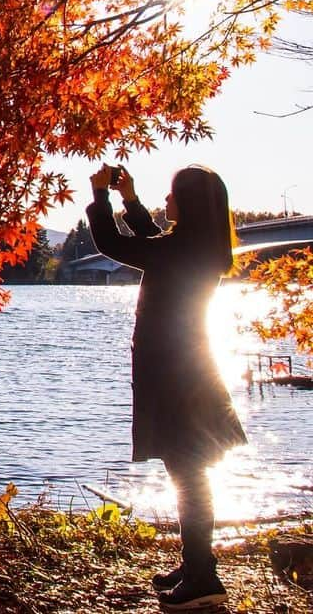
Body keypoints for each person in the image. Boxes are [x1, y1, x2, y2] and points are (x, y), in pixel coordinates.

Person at [86, 163, 246, 612]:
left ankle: (203, 576)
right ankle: (196, 562)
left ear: (189, 203)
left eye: (173, 195)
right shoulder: (198, 246)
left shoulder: (180, 250)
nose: (167, 200)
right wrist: (130, 199)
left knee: (189, 471)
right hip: (191, 368)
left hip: (176, 375)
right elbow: (154, 240)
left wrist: (100, 197)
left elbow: (114, 244)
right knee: (188, 469)